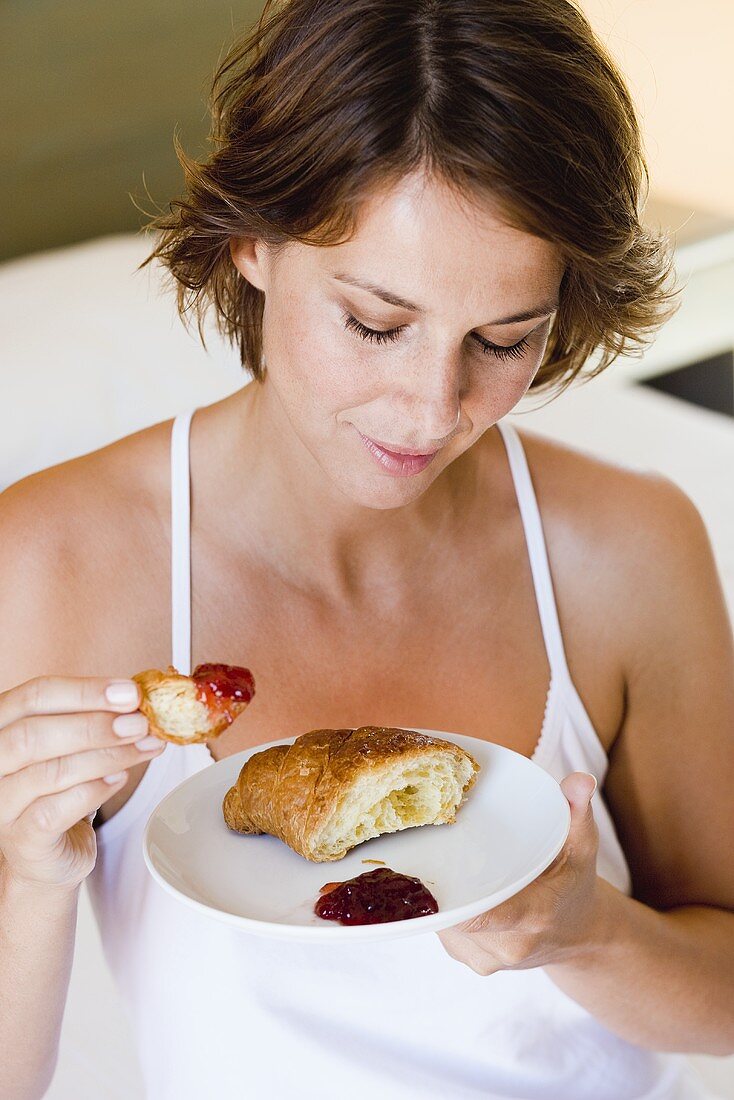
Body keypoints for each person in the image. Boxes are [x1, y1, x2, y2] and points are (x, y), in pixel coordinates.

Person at [1, 1, 732, 1097]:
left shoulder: (626, 549)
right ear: (252, 240)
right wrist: (29, 873)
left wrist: (586, 934)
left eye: (501, 340)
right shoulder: (60, 560)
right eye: (375, 323)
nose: (430, 408)